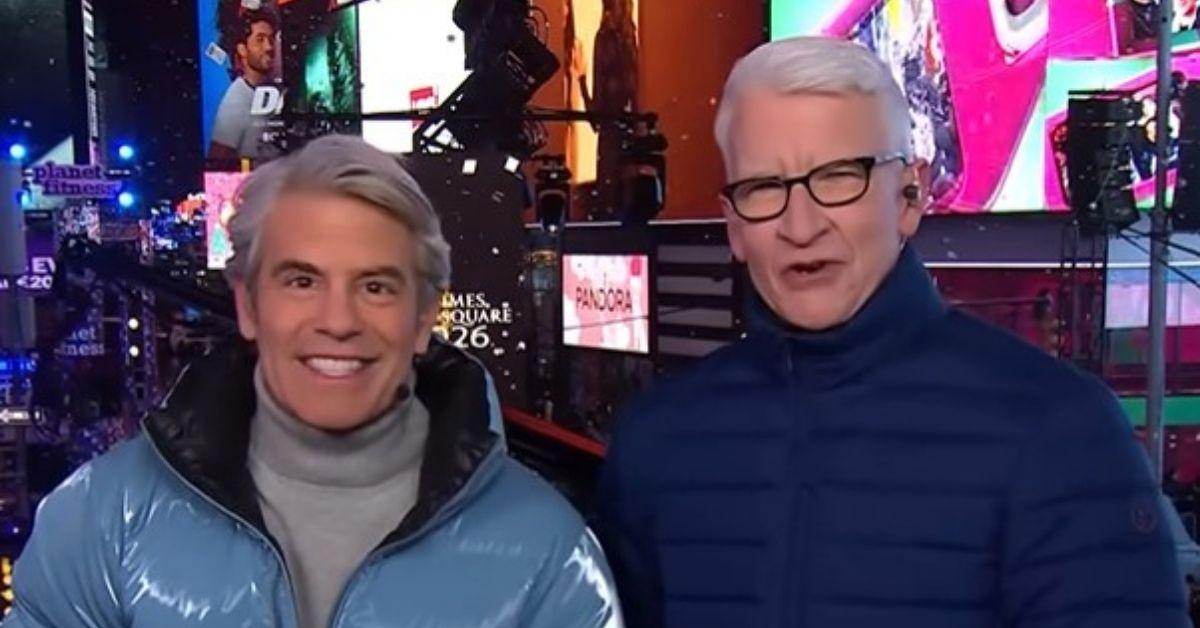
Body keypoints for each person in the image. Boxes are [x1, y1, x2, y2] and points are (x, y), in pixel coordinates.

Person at [596, 36, 1189, 628]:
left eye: (838, 177)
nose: (800, 226)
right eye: (764, 188)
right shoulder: (658, 441)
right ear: (733, 226)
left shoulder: (1062, 431)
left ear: (910, 195)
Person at [7, 135, 622, 628]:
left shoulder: (548, 554)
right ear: (248, 304)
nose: (338, 321)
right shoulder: (104, 520)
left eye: (375, 286)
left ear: (423, 319)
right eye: (301, 281)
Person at [208, 7, 279, 162]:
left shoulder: (273, 91)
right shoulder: (236, 101)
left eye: (271, 39)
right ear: (242, 49)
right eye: (260, 40)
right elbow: (217, 163)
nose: (269, 47)